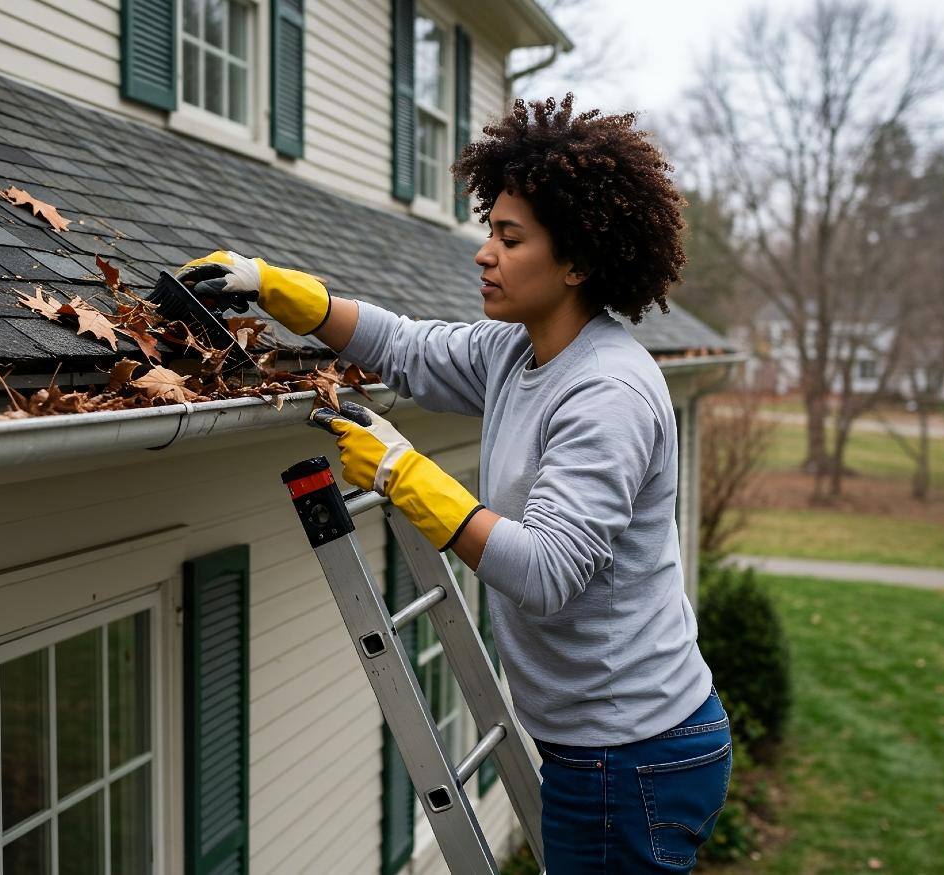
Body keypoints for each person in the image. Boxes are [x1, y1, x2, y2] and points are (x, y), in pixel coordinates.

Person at [181, 94, 730, 874]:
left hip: (631, 756)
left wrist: (407, 476)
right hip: (606, 745)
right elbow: (407, 346)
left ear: (576, 261)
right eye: (490, 232)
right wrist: (281, 289)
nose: (485, 253)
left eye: (510, 238)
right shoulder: (517, 351)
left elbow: (547, 573)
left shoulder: (607, 391)